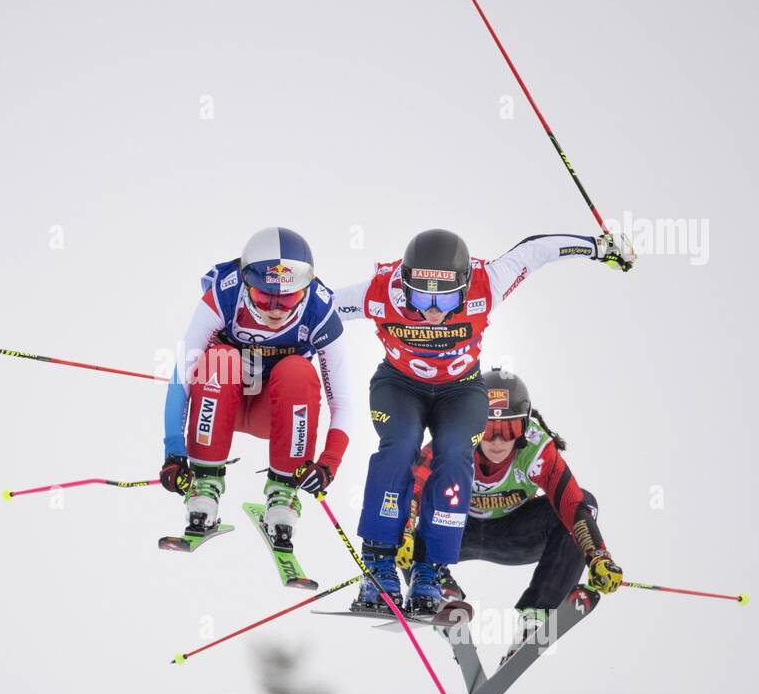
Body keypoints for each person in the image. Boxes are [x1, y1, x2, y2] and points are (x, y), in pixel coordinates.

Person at [335, 228, 633, 613]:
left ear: (465, 286)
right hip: (399, 385)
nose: (433, 311)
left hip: (459, 390)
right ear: (405, 284)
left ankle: (431, 572)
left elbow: (537, 251)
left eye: (446, 299)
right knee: (402, 445)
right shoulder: (378, 293)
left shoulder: (487, 284)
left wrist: (598, 248)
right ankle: (378, 566)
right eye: (422, 296)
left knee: (456, 451)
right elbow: (313, 305)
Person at [399, 368, 624, 657]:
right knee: (396, 518)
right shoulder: (454, 439)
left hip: (516, 535)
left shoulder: (535, 448)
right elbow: (413, 485)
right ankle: (437, 592)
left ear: (525, 426)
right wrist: (404, 529)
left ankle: (537, 615)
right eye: (489, 430)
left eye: (510, 431)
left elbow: (573, 504)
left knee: (585, 505)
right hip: (454, 533)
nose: (498, 442)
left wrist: (598, 555)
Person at [159, 228, 355, 547]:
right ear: (248, 285)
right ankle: (204, 487)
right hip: (223, 403)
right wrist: (173, 451)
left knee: (298, 372)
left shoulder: (320, 310)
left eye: (288, 298)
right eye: (265, 297)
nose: (276, 309)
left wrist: (328, 463)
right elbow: (183, 374)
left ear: (304, 290)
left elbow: (343, 401)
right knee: (220, 359)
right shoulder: (224, 294)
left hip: (276, 414)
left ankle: (282, 494)